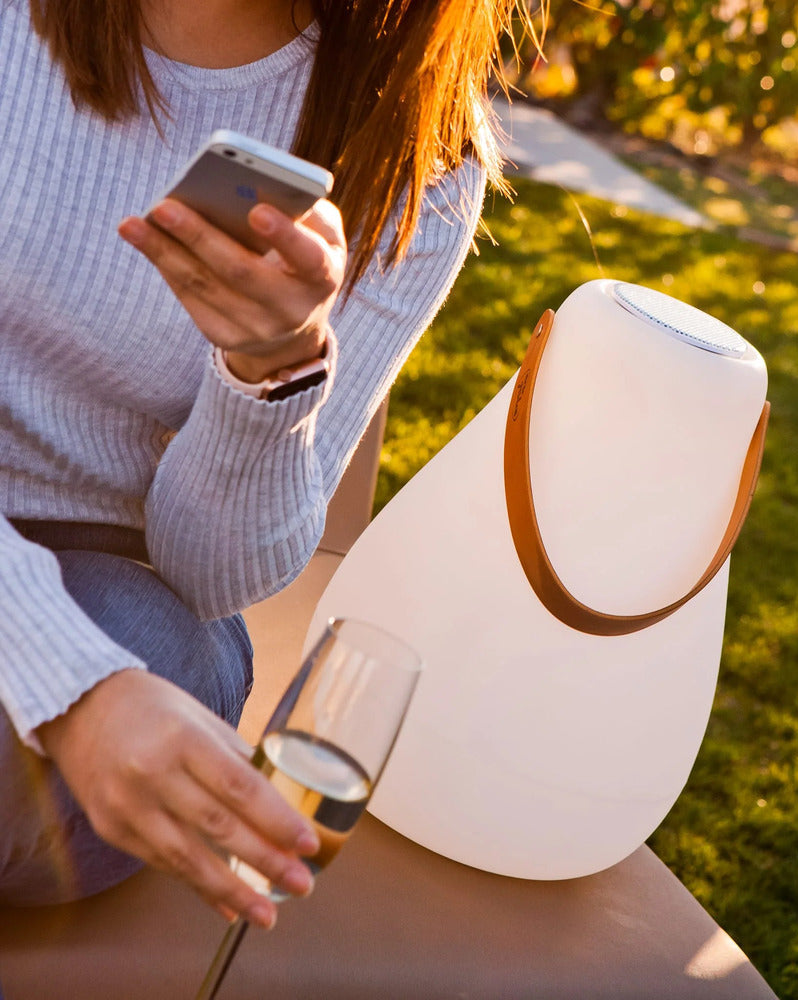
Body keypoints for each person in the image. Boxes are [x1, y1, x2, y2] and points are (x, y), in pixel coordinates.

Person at [0, 0, 528, 937]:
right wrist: (66, 684)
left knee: (156, 652)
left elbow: (209, 578)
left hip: (112, 583)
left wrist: (271, 372)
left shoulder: (417, 159)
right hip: (66, 629)